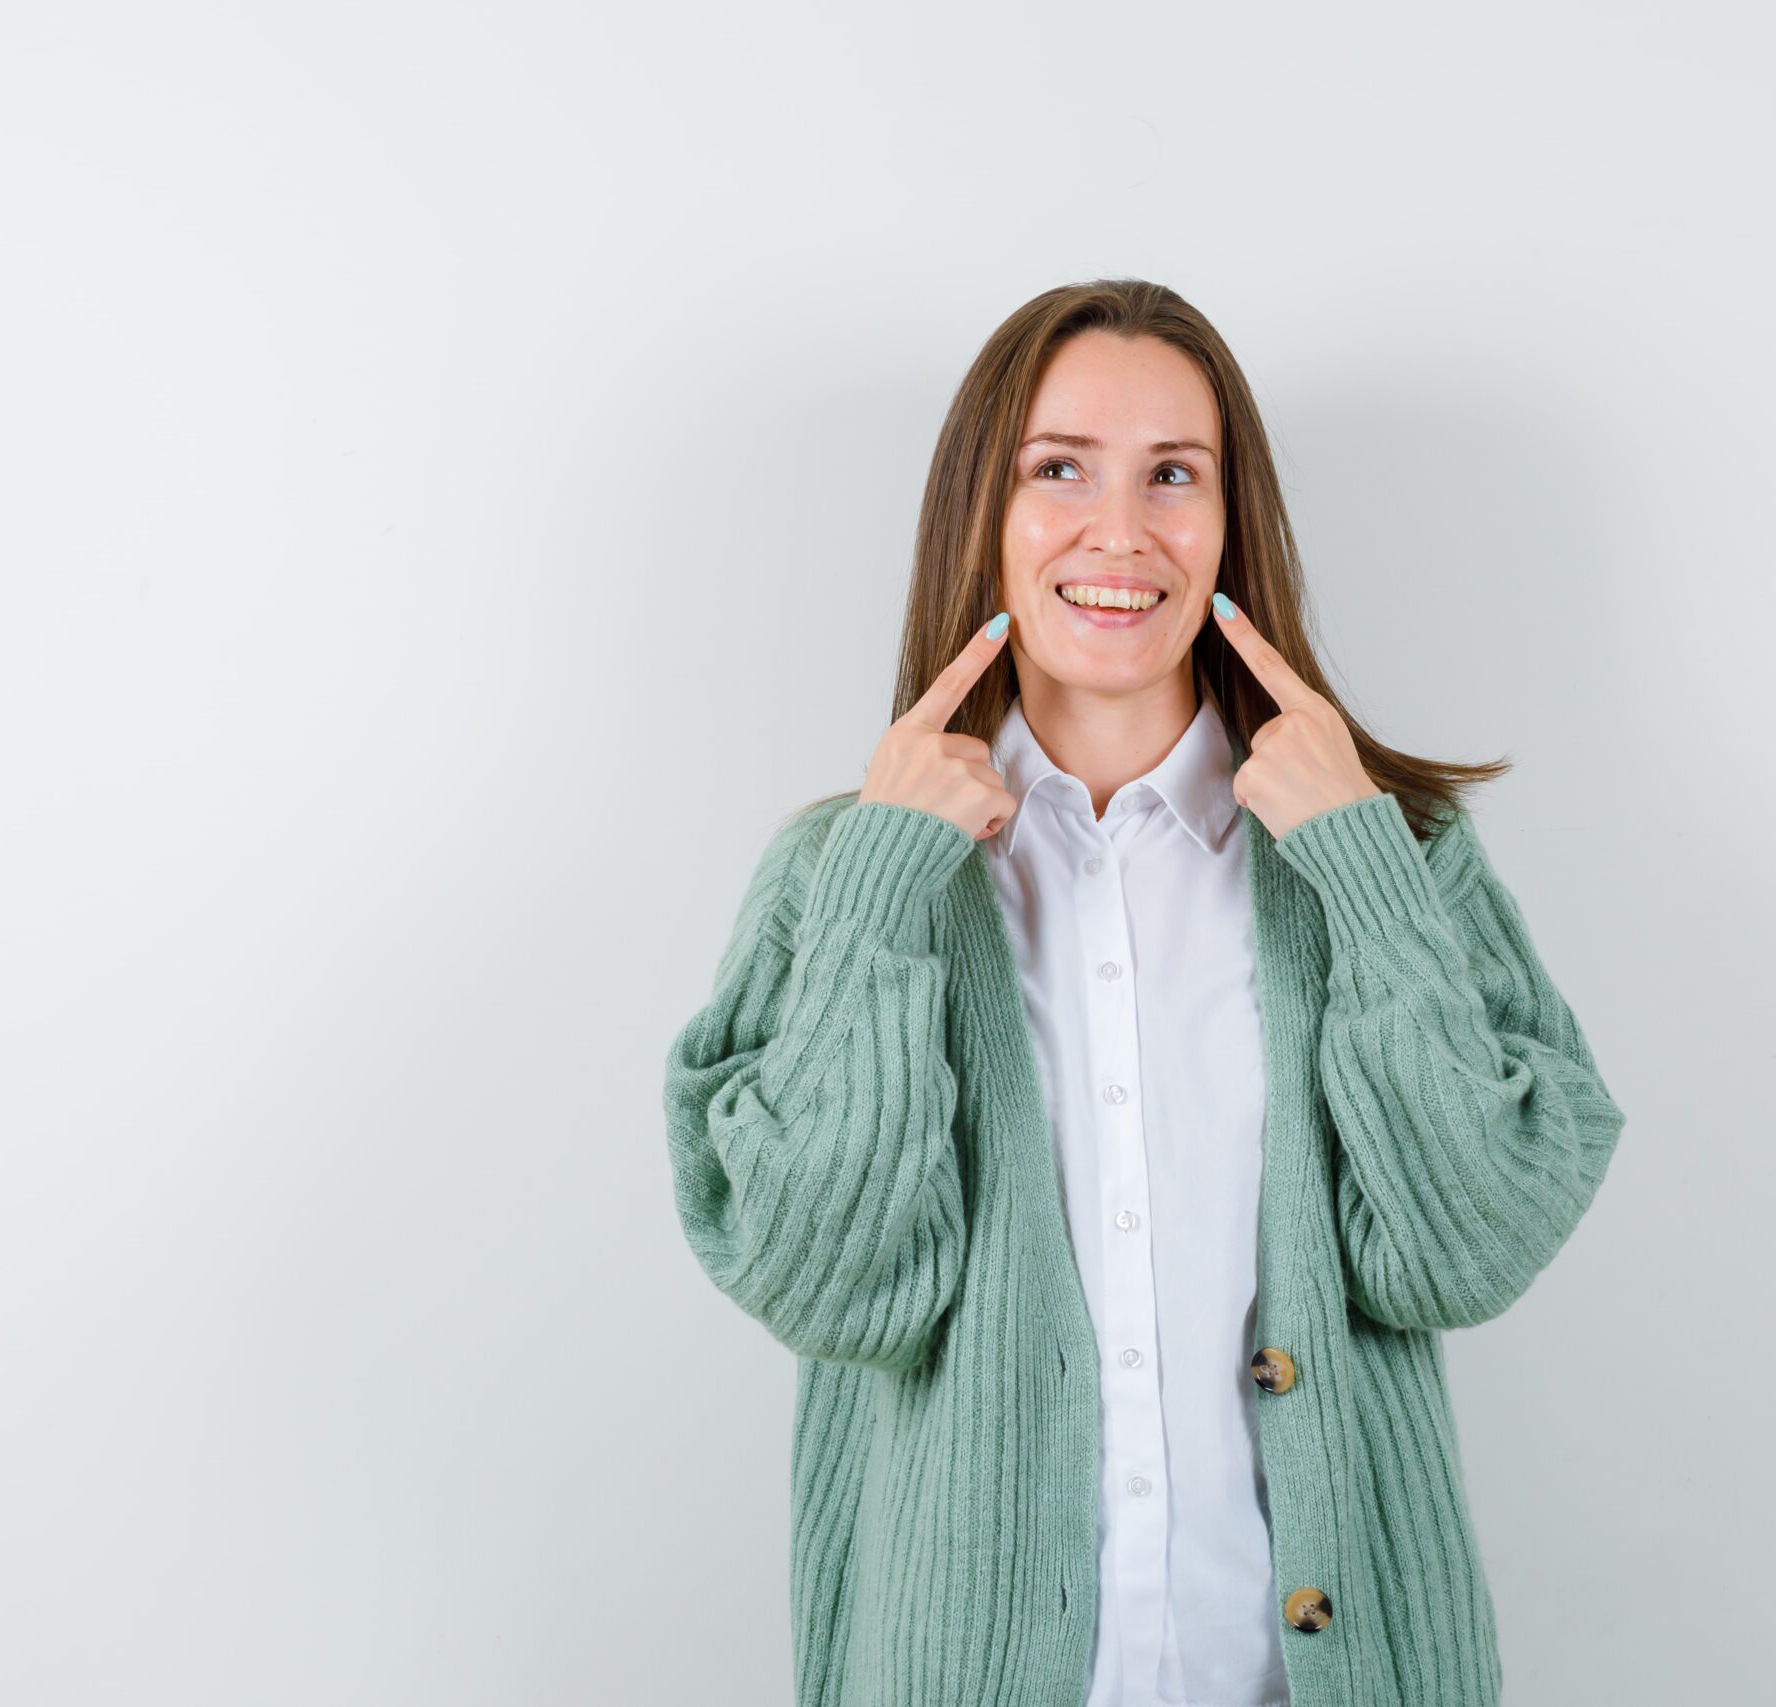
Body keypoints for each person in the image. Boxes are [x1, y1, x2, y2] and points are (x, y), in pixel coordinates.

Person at [661, 279, 1627, 1707]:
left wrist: (1358, 866)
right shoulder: (843, 875)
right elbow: (823, 1279)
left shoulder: (1386, 852)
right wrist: (882, 887)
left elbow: (1470, 1244)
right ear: (982, 515)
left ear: (1233, 524)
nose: (1121, 532)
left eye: (1174, 474)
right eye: (1059, 470)